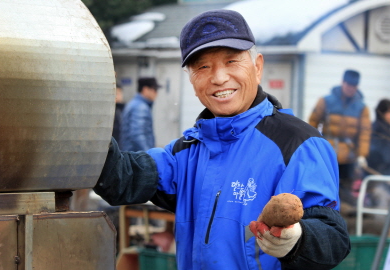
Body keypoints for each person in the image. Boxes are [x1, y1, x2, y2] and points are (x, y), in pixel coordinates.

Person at [94, 9, 350, 269]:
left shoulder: (299, 144)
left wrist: (298, 239)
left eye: (231, 61)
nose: (218, 78)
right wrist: (81, 124)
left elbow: (334, 239)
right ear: (192, 81)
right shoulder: (187, 152)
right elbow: (121, 179)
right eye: (203, 67)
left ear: (257, 67)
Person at [309, 69, 371, 207]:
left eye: (353, 86)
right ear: (342, 83)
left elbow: (364, 133)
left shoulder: (362, 108)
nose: (350, 88)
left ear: (357, 87)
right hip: (328, 152)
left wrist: (362, 155)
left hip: (349, 156)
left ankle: (345, 215)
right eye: (348, 85)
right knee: (326, 185)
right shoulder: (325, 101)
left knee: (346, 186)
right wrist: (313, 146)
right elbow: (312, 123)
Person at [120, 77, 160, 151]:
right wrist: (149, 155)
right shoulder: (140, 107)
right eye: (155, 89)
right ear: (145, 90)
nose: (156, 93)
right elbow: (137, 134)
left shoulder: (136, 104)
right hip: (136, 157)